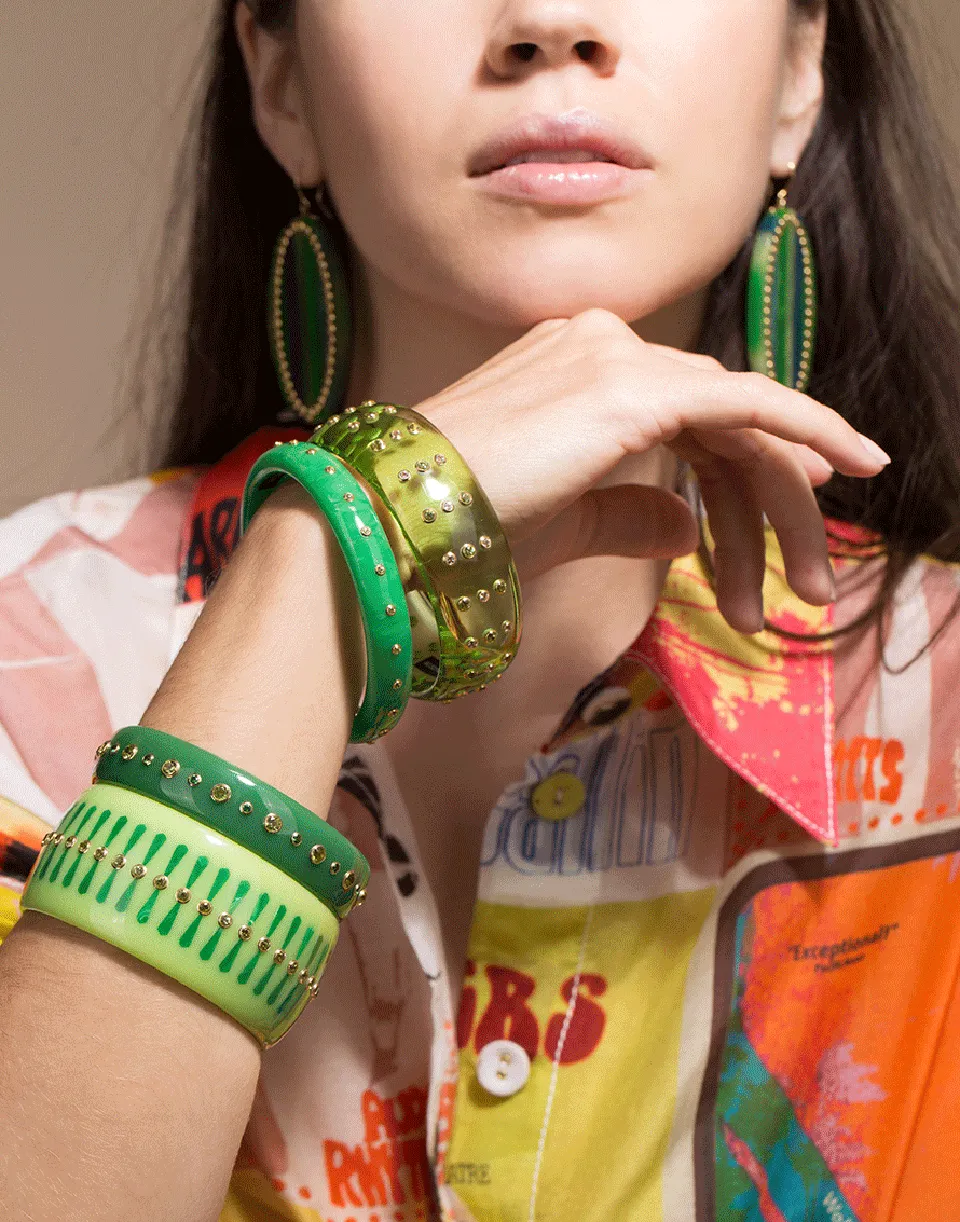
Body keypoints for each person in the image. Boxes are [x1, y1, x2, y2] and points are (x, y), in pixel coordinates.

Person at [1, 0, 959, 1218]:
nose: (552, 22)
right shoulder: (29, 660)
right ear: (279, 76)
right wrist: (330, 558)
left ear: (800, 68)